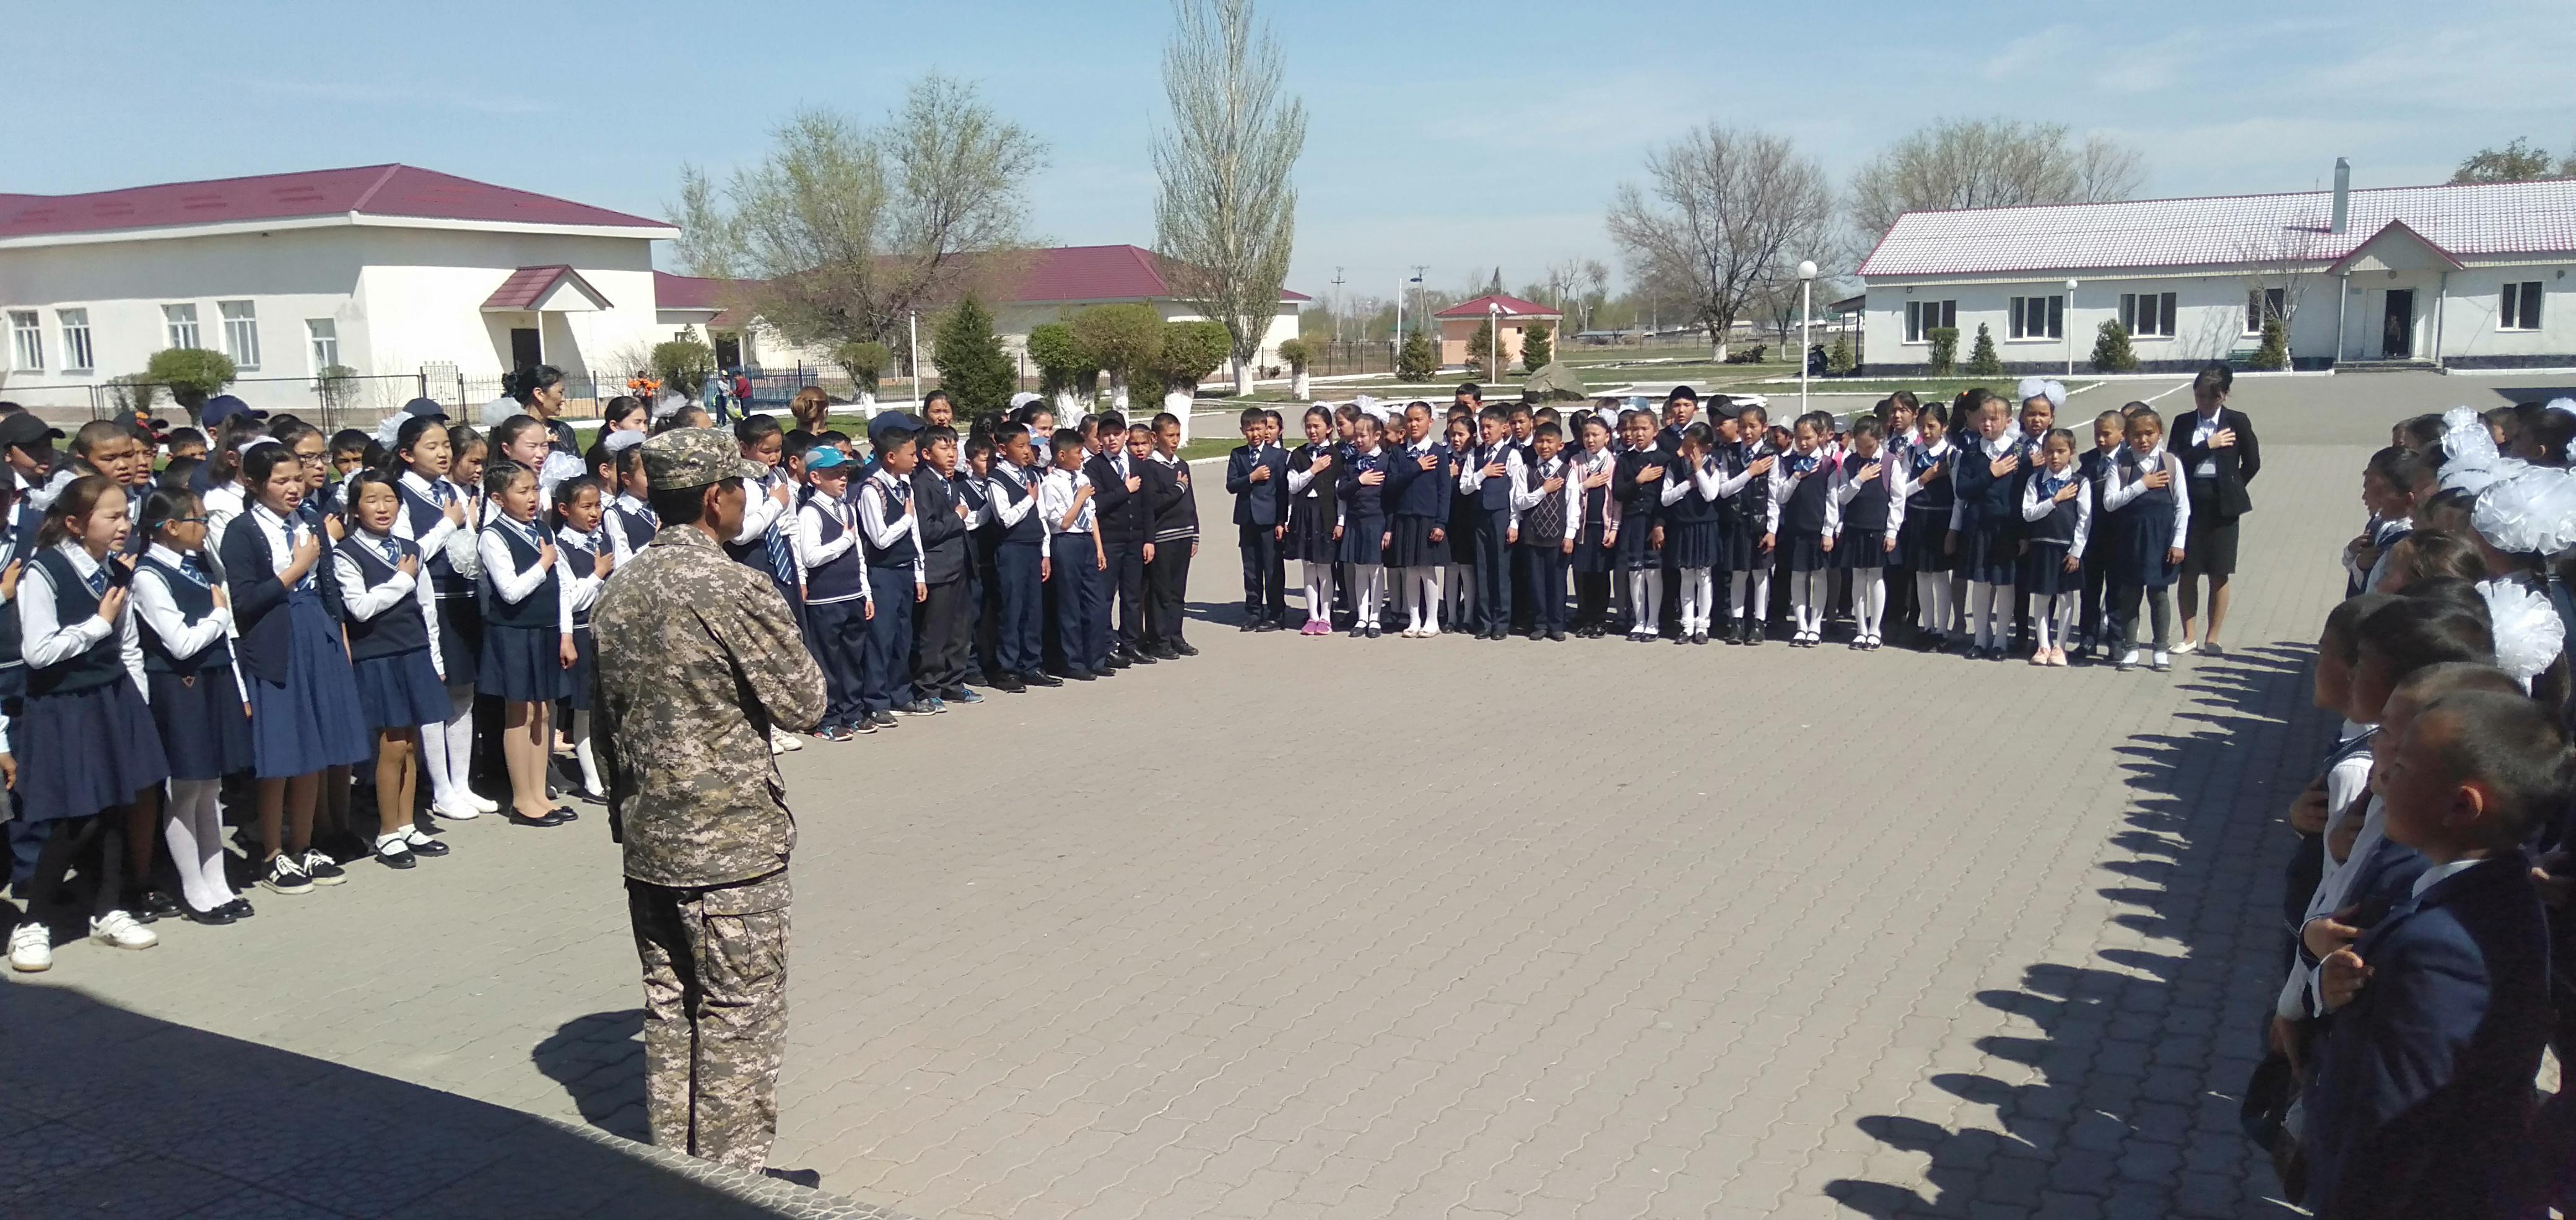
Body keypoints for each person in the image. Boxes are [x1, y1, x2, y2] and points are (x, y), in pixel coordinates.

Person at [591, 427, 825, 1179]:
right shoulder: (732, 587)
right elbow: (804, 701)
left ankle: (675, 1172)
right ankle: (729, 1183)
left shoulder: (619, 587)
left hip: (650, 838)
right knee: (738, 1014)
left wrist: (627, 817)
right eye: (739, 489)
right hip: (729, 845)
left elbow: (602, 725)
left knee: (670, 1008)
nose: (744, 501)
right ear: (713, 498)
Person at [2305, 688, 2562, 1219]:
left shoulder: (2442, 948)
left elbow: (2396, 1135)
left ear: (2461, 805)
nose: (2384, 775)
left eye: (2402, 767)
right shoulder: (2496, 890)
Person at [6, 476, 168, 972]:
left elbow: (128, 647)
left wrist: (137, 704)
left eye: (126, 515)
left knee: (116, 804)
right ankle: (33, 924)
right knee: (79, 814)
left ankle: (108, 910)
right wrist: (96, 625)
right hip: (65, 704)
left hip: (113, 698)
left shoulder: (114, 570)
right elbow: (38, 651)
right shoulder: (45, 571)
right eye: (112, 516)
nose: (124, 525)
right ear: (76, 524)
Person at [129, 487, 254, 924]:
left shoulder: (196, 565)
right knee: (185, 788)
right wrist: (220, 615)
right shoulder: (148, 576)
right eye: (199, 520)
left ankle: (217, 880)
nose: (205, 528)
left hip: (214, 680)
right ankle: (194, 888)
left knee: (211, 786)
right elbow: (180, 643)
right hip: (180, 687)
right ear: (171, 527)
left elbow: (222, 642)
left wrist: (240, 691)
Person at [335, 469, 456, 866]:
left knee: (411, 744)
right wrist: (402, 580)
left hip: (414, 650)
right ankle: (387, 832)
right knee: (390, 746)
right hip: (378, 656)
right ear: (355, 509)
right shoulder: (345, 554)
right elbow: (360, 607)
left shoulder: (409, 548)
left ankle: (407, 824)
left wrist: (435, 659)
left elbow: (427, 607)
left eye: (389, 499)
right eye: (371, 500)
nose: (382, 507)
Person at [477, 459, 575, 827]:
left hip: (546, 630)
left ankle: (540, 793)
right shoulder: (493, 536)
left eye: (535, 489)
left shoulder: (543, 530)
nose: (532, 498)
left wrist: (566, 634)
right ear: (499, 498)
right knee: (521, 714)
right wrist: (543, 563)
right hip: (514, 633)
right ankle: (522, 799)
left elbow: (562, 587)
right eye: (522, 491)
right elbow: (511, 591)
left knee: (544, 712)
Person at [2173, 362, 2260, 655]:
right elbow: (2175, 462)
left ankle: (2213, 637)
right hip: (2190, 505)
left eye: (2213, 397)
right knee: (2188, 571)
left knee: (2219, 573)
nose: (2206, 403)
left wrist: (2234, 485)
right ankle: (2189, 636)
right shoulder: (2184, 422)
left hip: (2223, 508)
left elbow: (2253, 462)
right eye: (2200, 396)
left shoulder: (2237, 421)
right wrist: (2207, 445)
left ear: (2224, 395)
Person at [2100, 407, 2190, 673]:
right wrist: (2143, 484)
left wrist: (2179, 542)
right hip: (2130, 539)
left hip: (2162, 539)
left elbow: (2182, 506)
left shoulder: (2171, 463)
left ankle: (2160, 649)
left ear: (2160, 433)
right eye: (2137, 435)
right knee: (2130, 594)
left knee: (2159, 594)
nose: (2143, 440)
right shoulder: (2122, 464)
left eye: (2149, 433)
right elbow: (2109, 502)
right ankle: (2131, 648)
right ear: (2127, 436)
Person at [793, 447, 872, 737]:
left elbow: (859, 554)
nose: (842, 478)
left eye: (844, 472)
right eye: (834, 473)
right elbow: (811, 556)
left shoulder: (847, 508)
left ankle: (853, 712)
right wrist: (844, 541)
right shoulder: (811, 512)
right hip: (825, 600)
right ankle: (828, 718)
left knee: (853, 658)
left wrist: (866, 592)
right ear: (816, 477)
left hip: (852, 595)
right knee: (828, 661)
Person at [856, 427, 933, 720]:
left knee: (903, 635)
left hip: (904, 570)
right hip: (883, 573)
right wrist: (906, 519)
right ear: (891, 457)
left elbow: (914, 535)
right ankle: (877, 701)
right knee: (881, 638)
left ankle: (901, 694)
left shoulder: (905, 486)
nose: (916, 460)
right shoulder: (872, 490)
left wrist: (919, 573)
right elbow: (880, 538)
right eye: (911, 454)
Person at [553, 476, 613, 796]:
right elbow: (571, 599)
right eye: (586, 506)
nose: (594, 513)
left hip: (609, 631)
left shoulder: (605, 540)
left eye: (598, 505)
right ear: (565, 510)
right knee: (585, 708)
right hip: (580, 632)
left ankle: (609, 770)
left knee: (607, 707)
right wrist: (598, 575)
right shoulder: (560, 547)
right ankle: (592, 778)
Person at [911, 427, 977, 705]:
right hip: (938, 567)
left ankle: (953, 682)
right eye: (944, 448)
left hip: (959, 564)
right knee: (935, 632)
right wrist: (957, 517)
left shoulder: (952, 482)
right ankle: (928, 687)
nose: (952, 455)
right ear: (926, 454)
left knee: (959, 630)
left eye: (954, 448)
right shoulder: (922, 485)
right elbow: (926, 530)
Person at [1082, 412, 1152, 665]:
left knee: (1132, 595)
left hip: (1135, 539)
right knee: (1105, 596)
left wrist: (1149, 539)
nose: (1112, 439)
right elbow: (1096, 504)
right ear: (1099, 438)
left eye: (1117, 434)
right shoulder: (1094, 466)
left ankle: (1130, 644)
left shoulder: (1137, 464)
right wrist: (1125, 490)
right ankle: (1106, 645)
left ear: (1126, 435)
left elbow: (1147, 505)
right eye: (1106, 435)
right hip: (1110, 541)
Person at [2017, 429, 2091, 666]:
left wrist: (2076, 551)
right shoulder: (2035, 480)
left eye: (2061, 451)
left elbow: (2085, 519)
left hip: (2066, 549)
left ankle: (2060, 646)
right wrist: (2055, 500)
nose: (2055, 457)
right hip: (2042, 546)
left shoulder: (2080, 482)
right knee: (2041, 596)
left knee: (2065, 596)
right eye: (2049, 451)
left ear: (2072, 453)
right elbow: (2028, 514)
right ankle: (2043, 645)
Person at [1831, 416, 1904, 651]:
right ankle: (1861, 630)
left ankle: (1875, 629)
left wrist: (1892, 531)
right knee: (1857, 577)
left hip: (1878, 528)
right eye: (1859, 446)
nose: (1863, 451)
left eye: (1868, 446)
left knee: (1876, 576)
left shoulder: (1890, 462)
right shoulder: (1851, 463)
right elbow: (1842, 497)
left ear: (1879, 440)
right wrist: (1859, 480)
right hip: (1855, 526)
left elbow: (1897, 500)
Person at [1040, 430, 1108, 678]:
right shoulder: (1050, 484)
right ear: (1062, 455)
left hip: (1086, 542)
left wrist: (1099, 547)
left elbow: (1092, 516)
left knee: (1096, 603)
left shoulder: (1082, 478)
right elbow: (1064, 522)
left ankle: (1096, 658)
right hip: (1066, 542)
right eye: (1078, 452)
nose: (1082, 457)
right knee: (1070, 605)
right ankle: (1074, 662)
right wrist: (1079, 498)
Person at [1225, 406, 1290, 632]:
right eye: (1250, 430)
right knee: (1251, 569)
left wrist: (1281, 521)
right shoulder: (1238, 454)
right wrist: (1251, 477)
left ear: (1266, 429)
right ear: (1243, 431)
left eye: (1259, 429)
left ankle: (1276, 613)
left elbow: (1282, 492)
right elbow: (1231, 485)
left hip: (1270, 521)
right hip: (1247, 520)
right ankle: (1253, 612)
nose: (1254, 434)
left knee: (1272, 569)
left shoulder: (1278, 456)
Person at [1457, 407, 1520, 640]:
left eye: (1489, 427)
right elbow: (1465, 488)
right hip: (1479, 518)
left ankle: (1502, 621)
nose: (1485, 432)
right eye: (1482, 427)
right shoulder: (1474, 456)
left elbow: (1516, 492)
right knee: (1482, 570)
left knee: (1501, 570)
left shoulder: (1511, 455)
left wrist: (1514, 523)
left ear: (1503, 429)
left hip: (1501, 516)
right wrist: (1483, 473)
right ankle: (1484, 621)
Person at [1141, 414, 1198, 659]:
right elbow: (1153, 503)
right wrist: (1178, 488)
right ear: (1155, 437)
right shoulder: (1149, 467)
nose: (1175, 440)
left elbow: (1190, 502)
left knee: (1177, 591)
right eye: (1170, 436)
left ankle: (1176, 636)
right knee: (1160, 592)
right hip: (1163, 537)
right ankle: (1159, 640)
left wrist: (1195, 532)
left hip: (1184, 534)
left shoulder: (1182, 465)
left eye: (1178, 435)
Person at [1284, 406, 1341, 636]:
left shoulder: (1337, 455)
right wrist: (1313, 470)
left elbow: (1340, 492)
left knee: (1325, 567)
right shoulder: (1298, 455)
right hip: (1304, 515)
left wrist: (1341, 521)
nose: (1312, 431)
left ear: (1329, 428)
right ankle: (1312, 616)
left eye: (1317, 426)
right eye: (1308, 426)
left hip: (1326, 515)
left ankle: (1326, 616)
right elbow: (1292, 486)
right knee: (1308, 566)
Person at [1336, 414, 1391, 638]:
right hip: (1355, 522)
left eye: (1363, 436)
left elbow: (1392, 497)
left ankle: (1375, 617)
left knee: (1375, 570)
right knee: (1359, 570)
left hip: (1376, 521)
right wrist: (1360, 481)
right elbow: (1341, 492)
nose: (1358, 440)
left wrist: (1389, 528)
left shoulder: (1386, 461)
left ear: (1377, 436)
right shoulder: (1350, 462)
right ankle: (1362, 617)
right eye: (1356, 436)